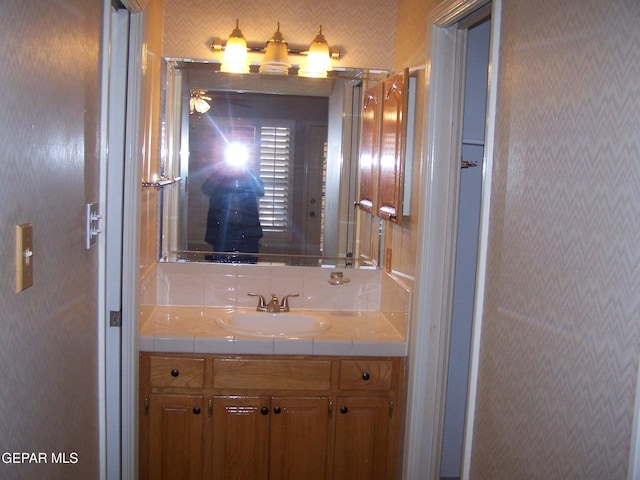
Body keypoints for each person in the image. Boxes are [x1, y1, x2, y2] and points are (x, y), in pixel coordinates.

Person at [201, 163, 265, 263]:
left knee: (249, 270)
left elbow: (261, 191)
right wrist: (220, 172)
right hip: (222, 230)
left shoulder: (248, 177)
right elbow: (206, 189)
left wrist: (248, 172)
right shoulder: (220, 177)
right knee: (220, 269)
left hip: (248, 231)